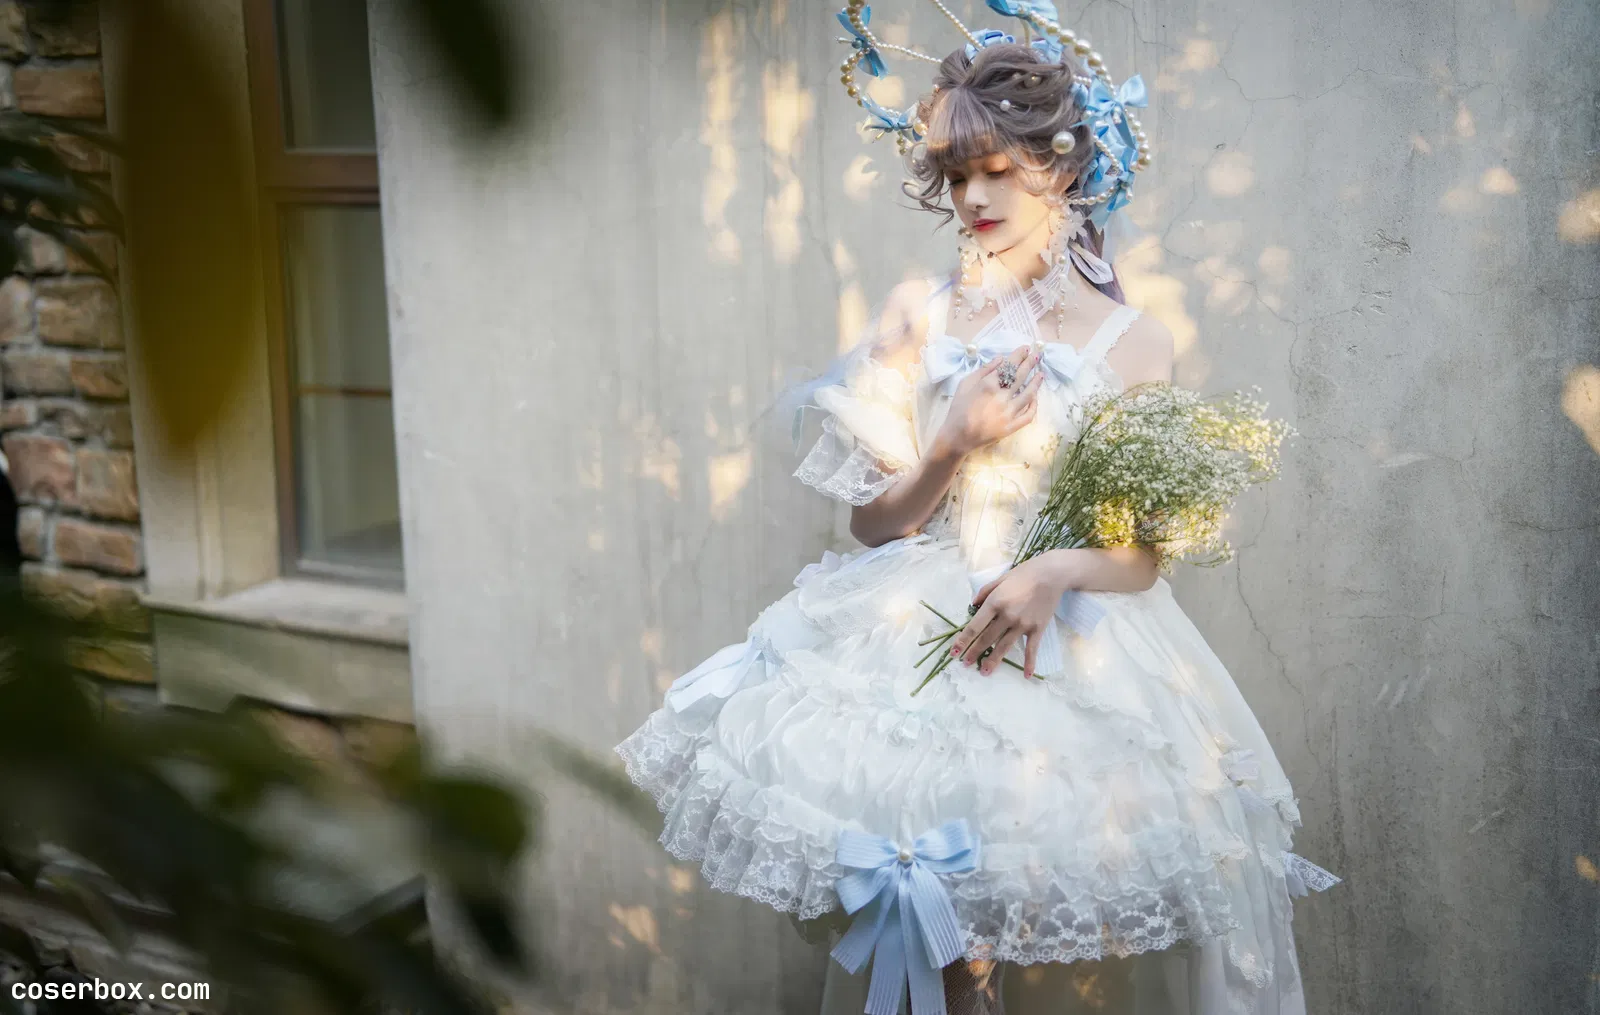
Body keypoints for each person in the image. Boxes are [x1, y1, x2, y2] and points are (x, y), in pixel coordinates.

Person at [617, 7, 1338, 1013]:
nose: (972, 197)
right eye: (955, 175)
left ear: (1060, 164)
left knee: (1037, 919)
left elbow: (1141, 557)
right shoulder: (917, 313)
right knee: (932, 925)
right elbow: (873, 524)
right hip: (915, 631)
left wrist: (1052, 570)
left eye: (995, 169)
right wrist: (951, 440)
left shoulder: (1136, 342)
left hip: (1071, 653)